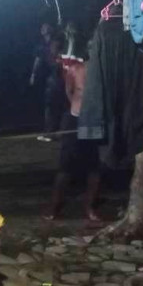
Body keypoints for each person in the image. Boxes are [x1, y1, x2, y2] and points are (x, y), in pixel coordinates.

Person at [47, 44, 102, 222]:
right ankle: (55, 208)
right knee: (65, 166)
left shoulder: (104, 71)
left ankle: (89, 207)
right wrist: (78, 106)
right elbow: (69, 90)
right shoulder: (75, 69)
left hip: (94, 120)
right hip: (75, 118)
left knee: (94, 167)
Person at [30, 22, 64, 142]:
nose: (43, 29)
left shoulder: (56, 43)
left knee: (52, 105)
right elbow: (38, 60)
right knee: (50, 105)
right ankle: (51, 131)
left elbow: (58, 58)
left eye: (46, 27)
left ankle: (51, 132)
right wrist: (33, 74)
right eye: (43, 27)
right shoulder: (42, 46)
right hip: (48, 77)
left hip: (56, 76)